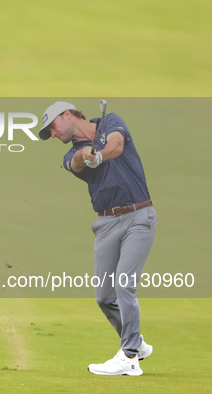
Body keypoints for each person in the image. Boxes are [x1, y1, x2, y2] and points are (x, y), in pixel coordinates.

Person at [38, 101, 157, 376]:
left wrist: (100, 155)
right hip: (105, 224)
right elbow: (78, 163)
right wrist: (88, 155)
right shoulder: (71, 155)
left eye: (52, 127)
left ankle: (129, 356)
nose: (53, 134)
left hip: (139, 215)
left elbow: (116, 145)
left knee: (124, 282)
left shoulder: (111, 121)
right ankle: (137, 344)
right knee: (104, 296)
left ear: (67, 114)